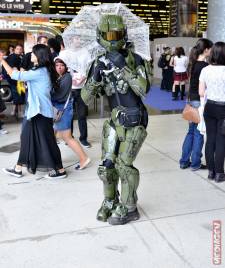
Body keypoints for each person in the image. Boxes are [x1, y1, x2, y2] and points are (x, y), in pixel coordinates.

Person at [81, 14, 150, 225]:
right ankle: (109, 201)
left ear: (124, 35)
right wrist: (94, 77)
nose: (112, 40)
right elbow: (85, 98)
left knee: (124, 165)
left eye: (116, 35)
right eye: (108, 35)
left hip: (134, 119)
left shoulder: (135, 59)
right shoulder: (98, 62)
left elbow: (144, 89)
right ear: (100, 36)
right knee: (106, 166)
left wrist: (123, 67)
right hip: (113, 120)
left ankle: (130, 207)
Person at [0, 44, 67, 179]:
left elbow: (14, 75)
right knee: (28, 139)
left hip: (40, 112)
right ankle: (18, 168)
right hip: (39, 112)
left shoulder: (39, 72)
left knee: (45, 141)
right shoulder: (41, 70)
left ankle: (59, 170)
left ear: (40, 56)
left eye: (33, 53)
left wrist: (2, 60)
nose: (31, 55)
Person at [179, 38, 213, 170]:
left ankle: (184, 161)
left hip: (191, 101)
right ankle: (195, 163)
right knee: (199, 133)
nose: (211, 51)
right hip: (199, 102)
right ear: (206, 50)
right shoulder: (204, 67)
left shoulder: (193, 64)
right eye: (210, 49)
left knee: (191, 132)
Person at [52, 57, 91, 169]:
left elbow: (59, 96)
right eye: (57, 65)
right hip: (57, 111)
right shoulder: (58, 77)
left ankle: (84, 158)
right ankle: (52, 158)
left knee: (67, 138)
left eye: (62, 65)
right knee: (51, 136)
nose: (59, 67)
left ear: (66, 67)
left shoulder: (67, 77)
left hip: (62, 111)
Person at [199, 41, 225, 183]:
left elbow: (201, 92)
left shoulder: (205, 70)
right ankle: (220, 173)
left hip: (209, 108)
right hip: (223, 108)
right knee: (222, 140)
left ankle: (211, 171)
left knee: (210, 139)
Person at [3, 44, 25, 118]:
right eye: (17, 49)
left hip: (18, 79)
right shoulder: (12, 57)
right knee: (18, 94)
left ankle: (14, 110)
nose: (19, 50)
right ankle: (20, 112)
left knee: (17, 94)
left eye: (20, 49)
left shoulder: (20, 56)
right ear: (15, 49)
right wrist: (15, 68)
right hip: (15, 79)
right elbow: (11, 67)